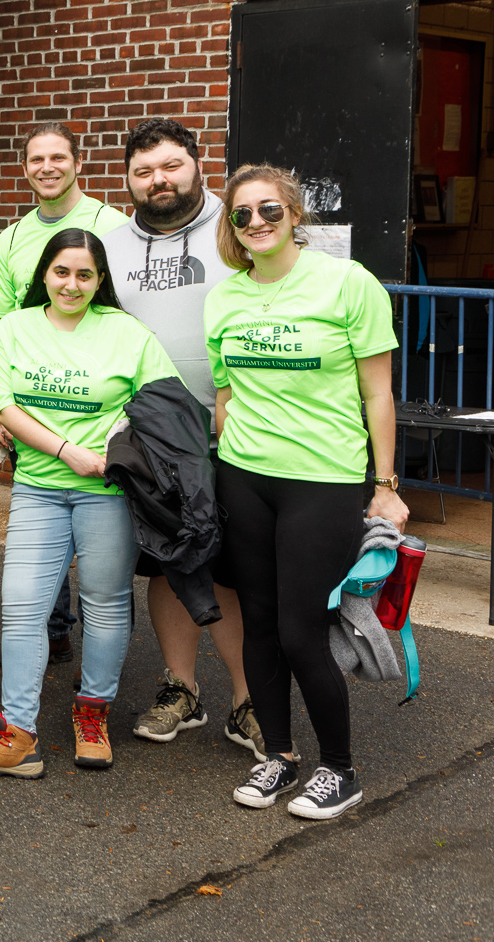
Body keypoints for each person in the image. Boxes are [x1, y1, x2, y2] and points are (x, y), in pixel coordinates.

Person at [205, 165, 403, 821]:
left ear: (294, 214)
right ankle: (281, 759)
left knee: (299, 629)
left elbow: (378, 392)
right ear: (231, 226)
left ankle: (339, 770)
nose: (256, 223)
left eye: (268, 210)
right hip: (246, 475)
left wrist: (385, 485)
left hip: (325, 479)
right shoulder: (226, 296)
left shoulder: (348, 284)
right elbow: (226, 392)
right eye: (242, 215)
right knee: (258, 623)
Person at [0, 228, 180, 778]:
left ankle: (92, 716)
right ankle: (17, 736)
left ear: (100, 280)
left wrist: (119, 437)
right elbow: (2, 403)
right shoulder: (17, 328)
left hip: (107, 492)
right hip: (38, 487)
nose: (71, 284)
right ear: (44, 275)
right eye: (61, 272)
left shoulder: (128, 333)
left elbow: (164, 402)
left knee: (104, 604)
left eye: (84, 274)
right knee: (22, 606)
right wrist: (65, 449)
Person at [99, 119, 264, 758]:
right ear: (127, 180)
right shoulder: (109, 245)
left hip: (239, 425)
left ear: (198, 163)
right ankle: (181, 690)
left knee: (233, 564)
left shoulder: (241, 226)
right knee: (168, 557)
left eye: (170, 165)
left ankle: (249, 699)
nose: (158, 180)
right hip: (151, 433)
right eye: (143, 171)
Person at [0, 125, 129, 665]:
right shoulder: (12, 237)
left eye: (58, 157)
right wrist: (1, 398)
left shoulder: (111, 225)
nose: (47, 167)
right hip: (34, 404)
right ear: (25, 167)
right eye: (36, 159)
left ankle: (93, 654)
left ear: (77, 161)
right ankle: (53, 625)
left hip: (97, 404)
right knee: (43, 523)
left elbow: (125, 311)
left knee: (97, 549)